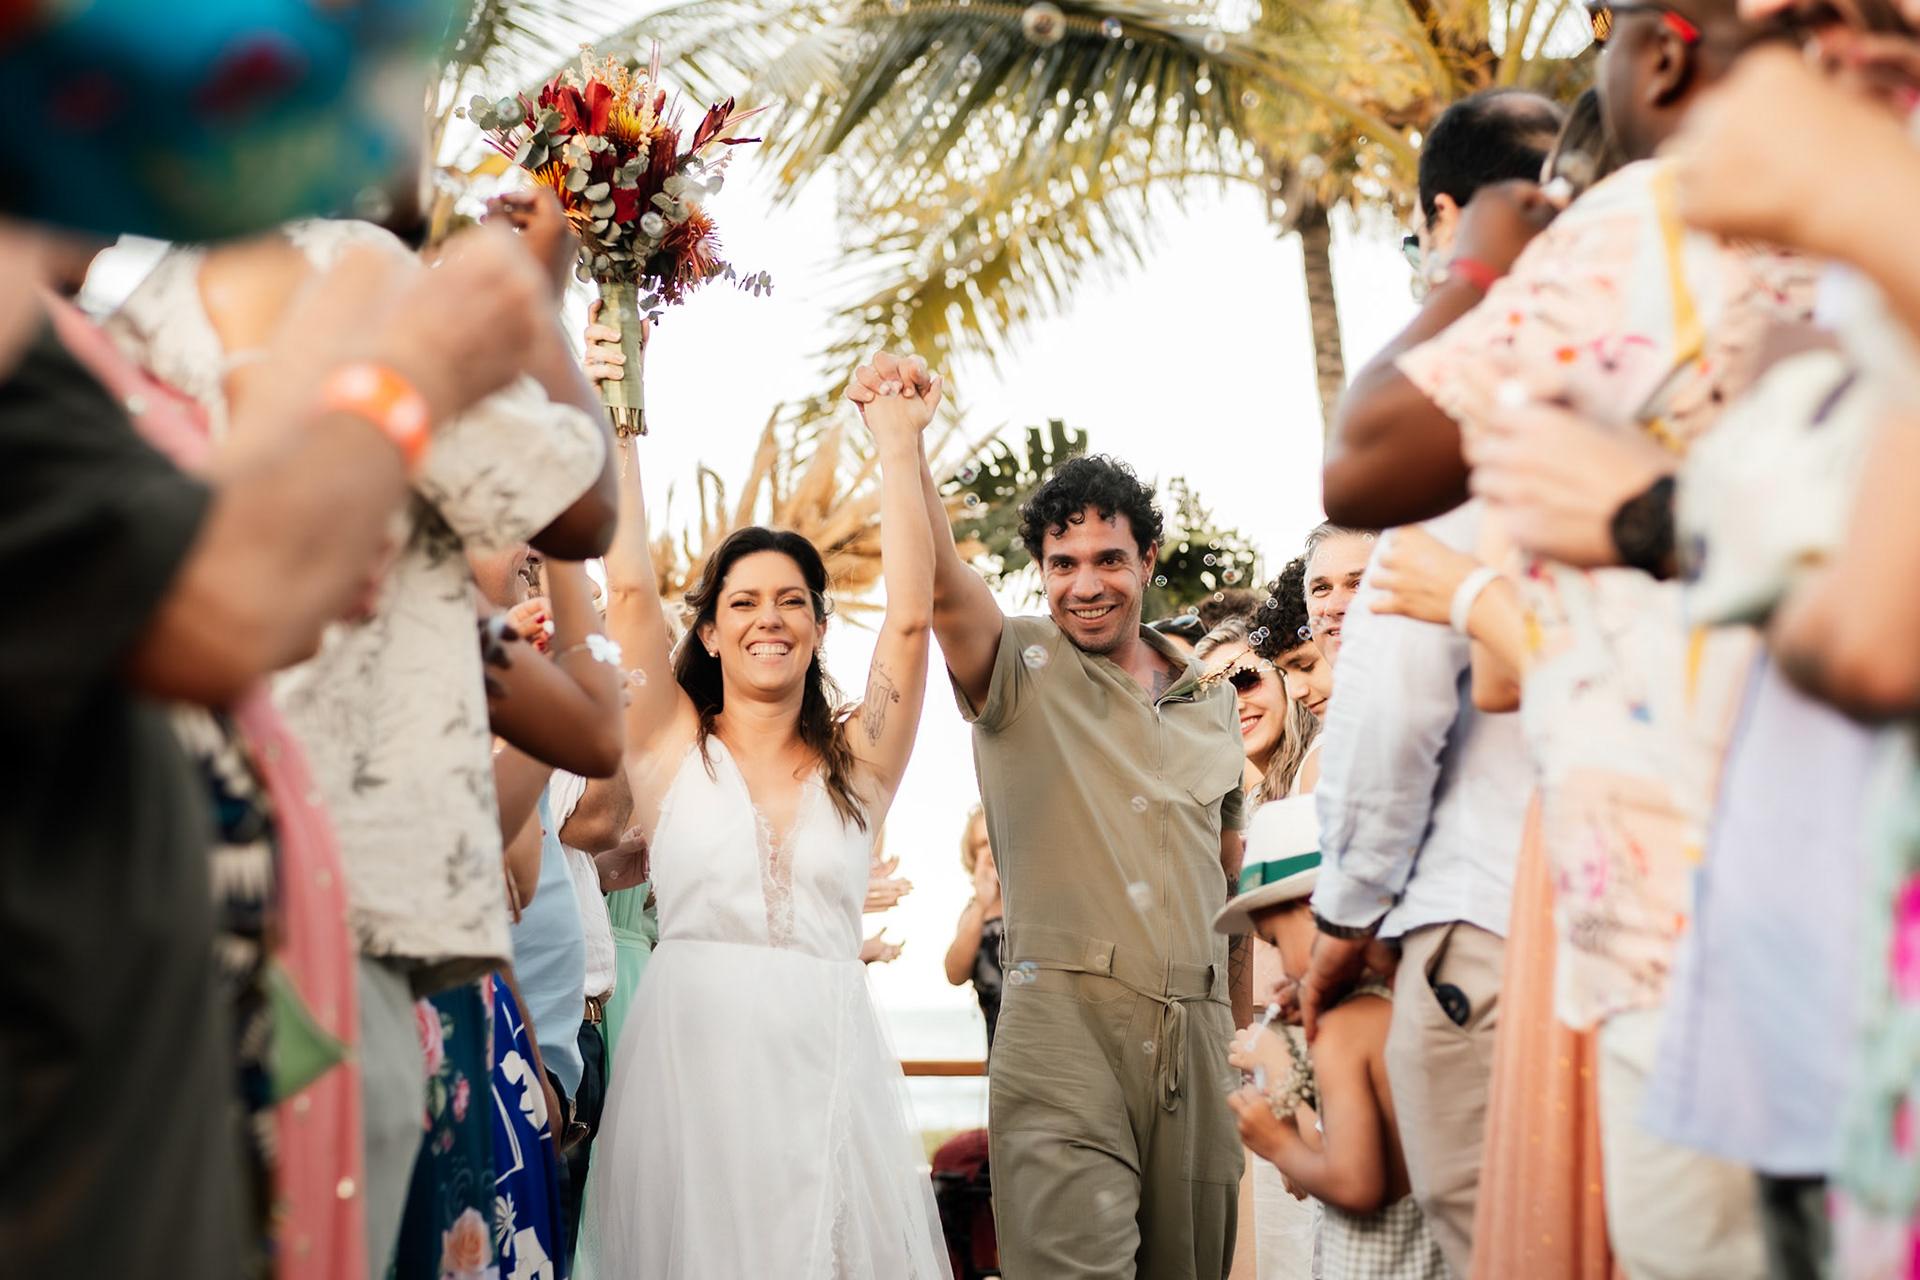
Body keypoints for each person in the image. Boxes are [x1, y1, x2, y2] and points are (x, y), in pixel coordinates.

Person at [1326, 0, 1821, 1271]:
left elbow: (1364, 460)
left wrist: (1480, 268)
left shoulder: (1649, 222)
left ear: (1662, 51)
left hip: (1668, 907)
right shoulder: (1862, 228)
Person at [846, 352, 1251, 1279]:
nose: (1085, 584)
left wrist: (1240, 1038)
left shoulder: (1215, 701)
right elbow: (939, 584)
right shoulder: (1017, 669)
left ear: (1148, 560)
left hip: (1199, 1043)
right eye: (1062, 565)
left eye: (1109, 559)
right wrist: (902, 444)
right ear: (1040, 572)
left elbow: (1230, 886)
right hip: (1063, 1032)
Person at [576, 359, 949, 1277]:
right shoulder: (667, 748)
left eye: (792, 602)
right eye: (742, 603)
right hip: (690, 1070)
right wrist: (619, 423)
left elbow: (910, 619)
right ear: (707, 632)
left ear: (818, 627)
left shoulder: (860, 767)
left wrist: (897, 443)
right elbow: (630, 592)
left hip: (828, 1068)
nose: (768, 619)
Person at [1222, 797, 1449, 1280]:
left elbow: (1354, 1182)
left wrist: (1276, 1138)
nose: (1283, 967)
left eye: (1278, 941)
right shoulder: (1409, 1000)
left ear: (1317, 911)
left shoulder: (1345, 1031)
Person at [944, 806, 1007, 1055]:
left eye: (995, 838)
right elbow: (954, 974)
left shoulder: (1036, 901)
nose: (990, 850)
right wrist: (982, 902)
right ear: (972, 855)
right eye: (982, 843)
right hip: (1000, 1053)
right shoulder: (973, 914)